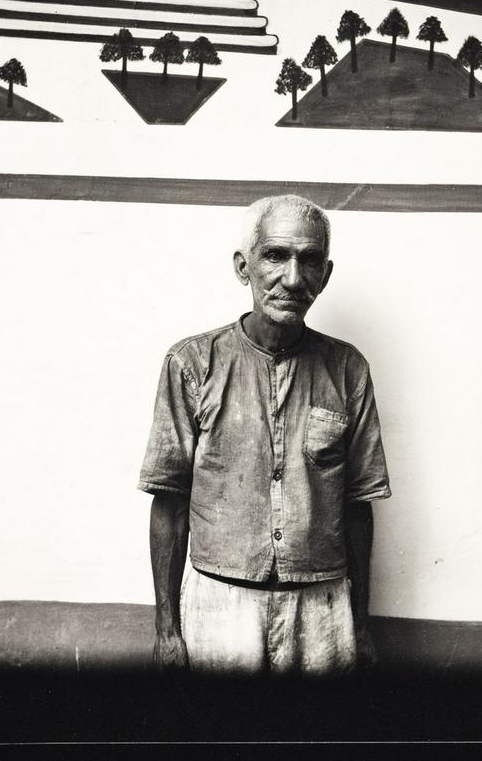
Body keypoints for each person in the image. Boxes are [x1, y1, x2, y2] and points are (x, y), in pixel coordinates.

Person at [138, 194, 391, 676]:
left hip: (321, 607)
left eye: (309, 260)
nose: (293, 279)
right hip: (219, 605)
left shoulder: (347, 369)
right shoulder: (191, 365)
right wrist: (167, 630)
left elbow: (359, 506)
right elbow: (169, 501)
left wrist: (359, 625)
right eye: (275, 255)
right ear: (243, 267)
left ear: (326, 274)